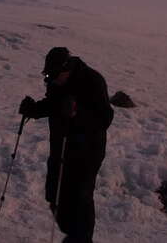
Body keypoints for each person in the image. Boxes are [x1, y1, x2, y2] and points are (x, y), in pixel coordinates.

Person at [19, 46, 114, 243]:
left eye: (53, 75)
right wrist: (34, 109)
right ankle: (71, 232)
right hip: (60, 145)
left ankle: (80, 240)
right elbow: (53, 105)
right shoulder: (57, 82)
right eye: (47, 76)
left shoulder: (92, 81)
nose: (51, 80)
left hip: (87, 150)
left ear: (67, 69)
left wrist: (77, 115)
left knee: (80, 197)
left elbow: (105, 118)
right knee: (55, 195)